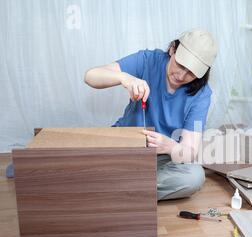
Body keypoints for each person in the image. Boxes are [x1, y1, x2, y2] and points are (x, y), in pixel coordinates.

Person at [84, 28, 218, 200]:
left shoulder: (202, 95)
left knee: (194, 176)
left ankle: (117, 188)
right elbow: (90, 76)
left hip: (160, 159)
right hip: (123, 147)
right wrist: (125, 78)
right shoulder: (148, 60)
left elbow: (189, 151)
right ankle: (128, 188)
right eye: (181, 64)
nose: (181, 75)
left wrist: (170, 146)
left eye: (191, 72)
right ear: (173, 50)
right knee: (84, 164)